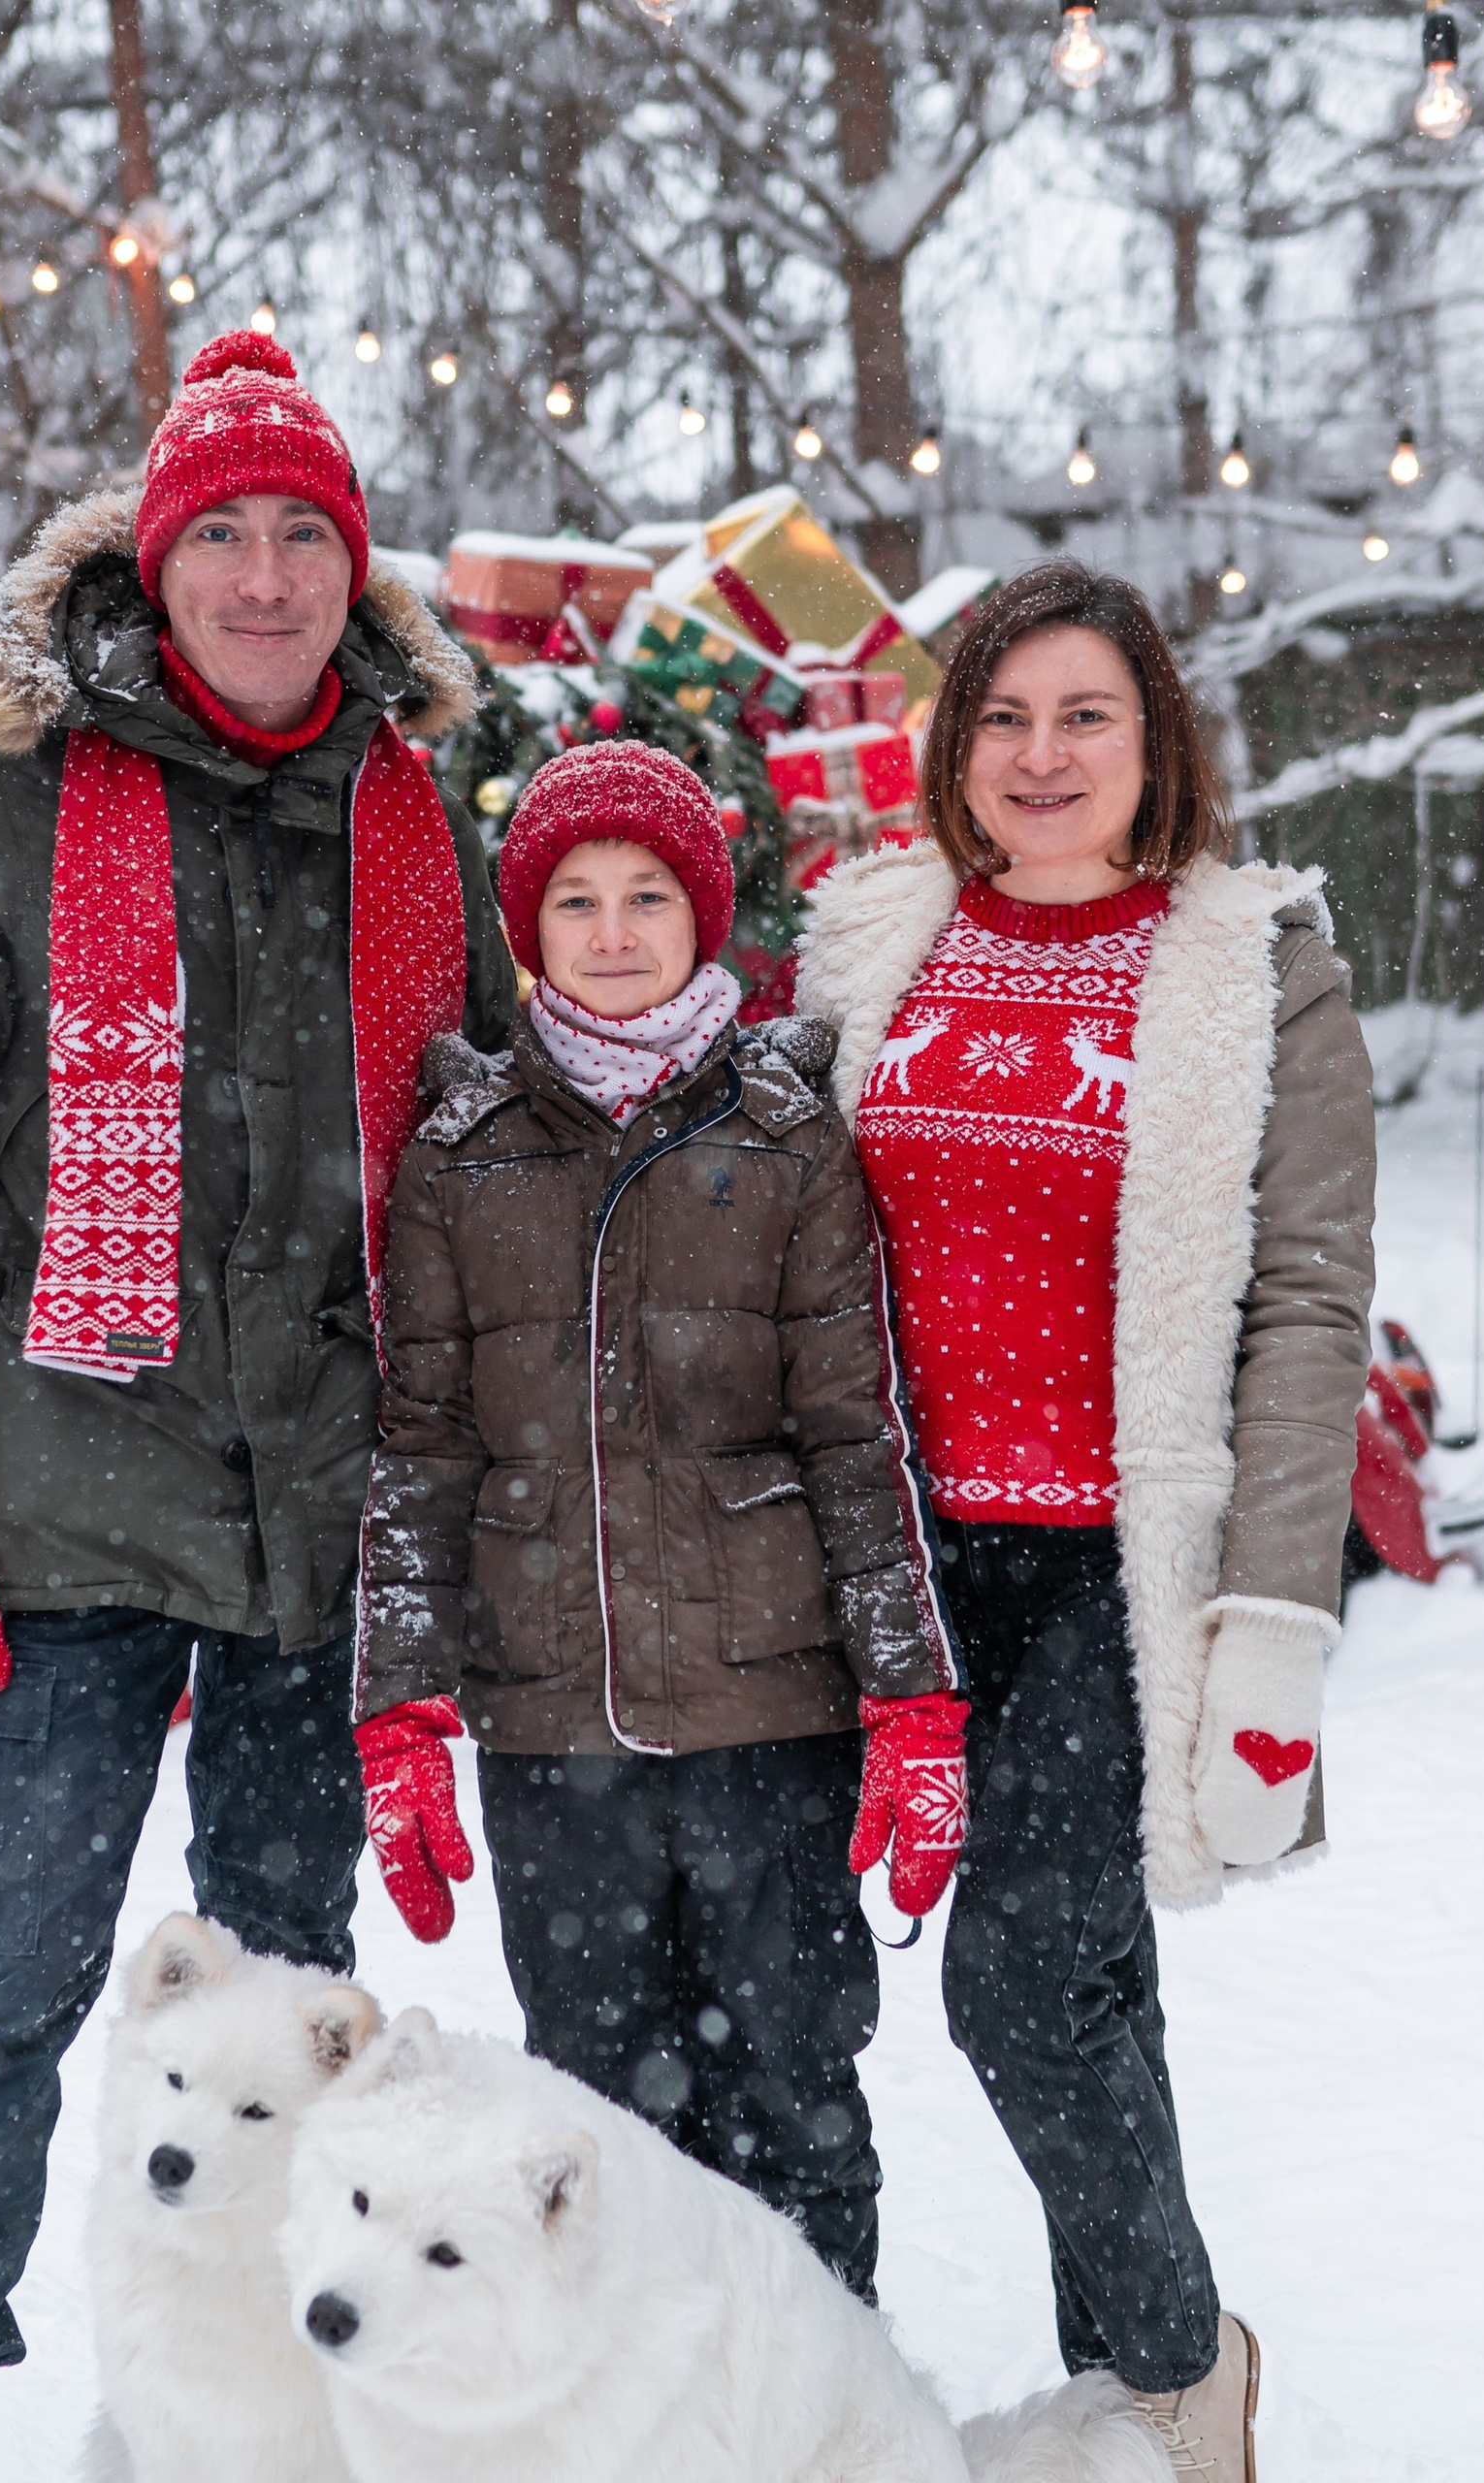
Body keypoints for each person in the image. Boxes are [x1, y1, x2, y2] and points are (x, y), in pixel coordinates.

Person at [0, 330, 516, 2483]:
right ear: (155, 553)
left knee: (291, 2007)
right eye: (227, 531)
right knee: (13, 1971)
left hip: (313, 1522)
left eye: (309, 532)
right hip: (62, 1518)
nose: (269, 575)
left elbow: (477, 1144)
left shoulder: (407, 817)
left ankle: (262, 2401)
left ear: (356, 568)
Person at [792, 561, 1375, 2483]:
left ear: (1154, 742)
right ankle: (1138, 2398)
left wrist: (1273, 1616)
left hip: (1114, 1571)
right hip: (895, 1555)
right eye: (1003, 718)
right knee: (1090, 1976)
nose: (1040, 757)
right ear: (950, 744)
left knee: (1022, 1979)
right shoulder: (872, 940)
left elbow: (1302, 1305)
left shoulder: (1249, 960)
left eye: (1084, 716)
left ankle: (1165, 2354)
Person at [347, 738, 964, 2302]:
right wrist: (400, 1710)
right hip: (557, 1733)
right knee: (595, 2115)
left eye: (647, 897)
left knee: (796, 2093)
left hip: (771, 1719)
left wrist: (912, 1696)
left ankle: (822, 2413)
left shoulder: (785, 1136)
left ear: (703, 918)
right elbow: (420, 1447)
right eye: (574, 901)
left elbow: (853, 1432)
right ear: (526, 927)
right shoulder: (460, 1154)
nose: (613, 933)